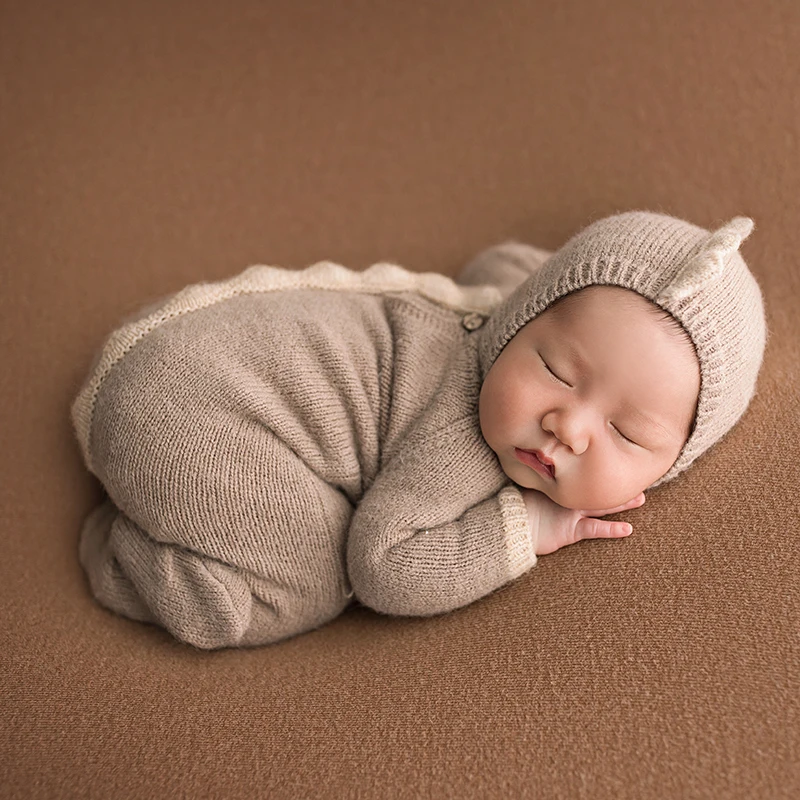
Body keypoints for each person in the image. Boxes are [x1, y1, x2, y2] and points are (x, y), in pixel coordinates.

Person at [71, 211, 767, 649]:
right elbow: (384, 568)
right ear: (523, 316)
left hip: (174, 340)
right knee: (315, 578)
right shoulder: (461, 438)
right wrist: (525, 526)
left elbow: (506, 263)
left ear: (679, 461)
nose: (570, 425)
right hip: (182, 421)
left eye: (626, 432)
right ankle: (126, 554)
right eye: (555, 369)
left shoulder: (508, 300)